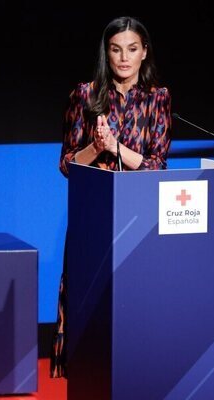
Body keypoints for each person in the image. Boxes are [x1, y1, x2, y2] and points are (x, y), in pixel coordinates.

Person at [50, 15, 172, 379]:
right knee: (92, 302)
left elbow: (157, 166)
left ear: (144, 53)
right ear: (107, 52)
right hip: (95, 217)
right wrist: (96, 146)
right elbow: (67, 165)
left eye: (132, 49)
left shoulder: (158, 99)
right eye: (116, 49)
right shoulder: (86, 95)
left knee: (137, 304)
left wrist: (117, 147)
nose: (123, 58)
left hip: (141, 216)